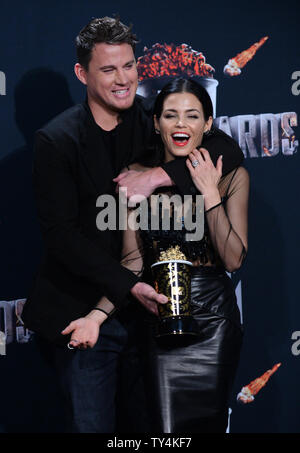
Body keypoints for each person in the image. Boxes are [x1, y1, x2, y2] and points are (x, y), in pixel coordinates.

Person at [21, 17, 245, 433]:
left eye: (128, 66)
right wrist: (125, 288)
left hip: (151, 321)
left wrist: (158, 176)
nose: (123, 79)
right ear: (82, 73)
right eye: (108, 69)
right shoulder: (57, 141)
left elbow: (225, 148)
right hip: (86, 313)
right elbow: (61, 237)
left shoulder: (151, 122)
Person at [117, 77, 249, 433]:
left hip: (214, 318)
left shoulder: (231, 176)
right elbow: (132, 261)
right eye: (171, 115)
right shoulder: (134, 180)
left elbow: (234, 258)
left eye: (192, 116)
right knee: (165, 430)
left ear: (207, 125)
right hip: (160, 312)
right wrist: (101, 312)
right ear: (156, 123)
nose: (180, 124)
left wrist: (209, 194)